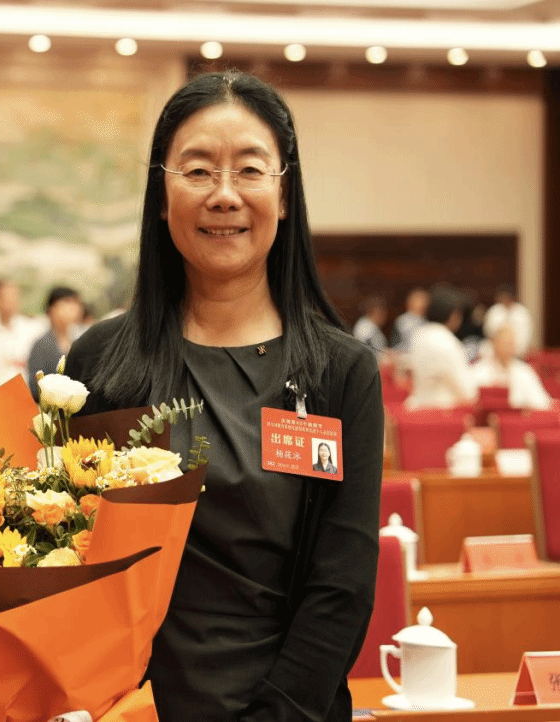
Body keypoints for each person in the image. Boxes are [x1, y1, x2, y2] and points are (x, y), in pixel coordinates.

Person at [65, 70, 383, 722]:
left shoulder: (339, 372)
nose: (224, 195)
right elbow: (61, 556)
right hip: (130, 708)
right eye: (198, 171)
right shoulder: (101, 361)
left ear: (285, 195)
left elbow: (341, 586)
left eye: (250, 170)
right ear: (161, 196)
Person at [405, 285, 478, 410]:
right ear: (454, 315)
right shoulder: (447, 342)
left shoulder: (418, 336)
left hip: (417, 408)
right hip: (442, 412)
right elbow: (468, 392)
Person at [0, 280, 43, 393]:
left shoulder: (32, 329)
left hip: (25, 395)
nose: (10, 302)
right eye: (6, 298)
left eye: (14, 297)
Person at [471, 324, 552, 410]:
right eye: (503, 342)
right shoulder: (479, 370)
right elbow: (470, 400)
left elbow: (542, 403)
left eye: (510, 343)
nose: (507, 347)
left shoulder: (524, 371)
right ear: (494, 343)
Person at [26, 286, 83, 398]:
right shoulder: (41, 345)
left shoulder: (80, 341)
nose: (74, 308)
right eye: (67, 302)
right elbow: (35, 387)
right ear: (52, 309)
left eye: (76, 303)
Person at [483, 284, 532, 358]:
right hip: (495, 352)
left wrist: (510, 348)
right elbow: (488, 333)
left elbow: (525, 337)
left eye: (506, 297)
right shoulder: (494, 310)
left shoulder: (522, 312)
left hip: (517, 353)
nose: (504, 300)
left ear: (512, 298)